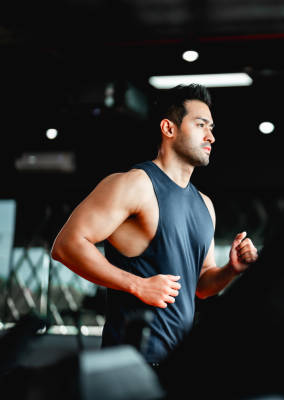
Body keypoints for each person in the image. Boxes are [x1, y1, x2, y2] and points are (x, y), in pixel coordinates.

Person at [51, 84, 259, 364]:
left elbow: (201, 286)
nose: (210, 136)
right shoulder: (135, 184)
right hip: (131, 364)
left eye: (211, 128)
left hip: (176, 366)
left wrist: (231, 270)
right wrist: (138, 285)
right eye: (200, 125)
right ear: (169, 128)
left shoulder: (205, 205)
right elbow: (66, 246)